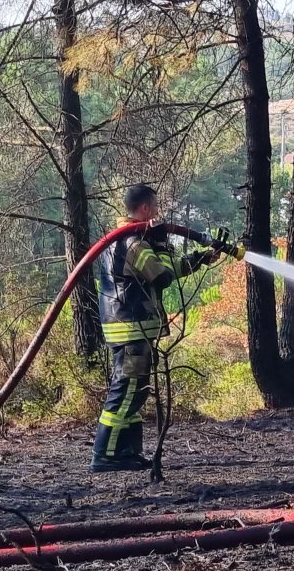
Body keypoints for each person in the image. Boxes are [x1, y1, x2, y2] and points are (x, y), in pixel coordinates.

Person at [91, 184, 220, 472]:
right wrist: (161, 244)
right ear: (146, 209)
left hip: (132, 329)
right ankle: (105, 455)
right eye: (157, 206)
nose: (160, 212)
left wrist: (198, 259)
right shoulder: (133, 243)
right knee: (125, 393)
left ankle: (128, 452)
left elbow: (166, 268)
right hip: (131, 330)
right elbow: (161, 276)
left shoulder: (127, 239)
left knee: (135, 392)